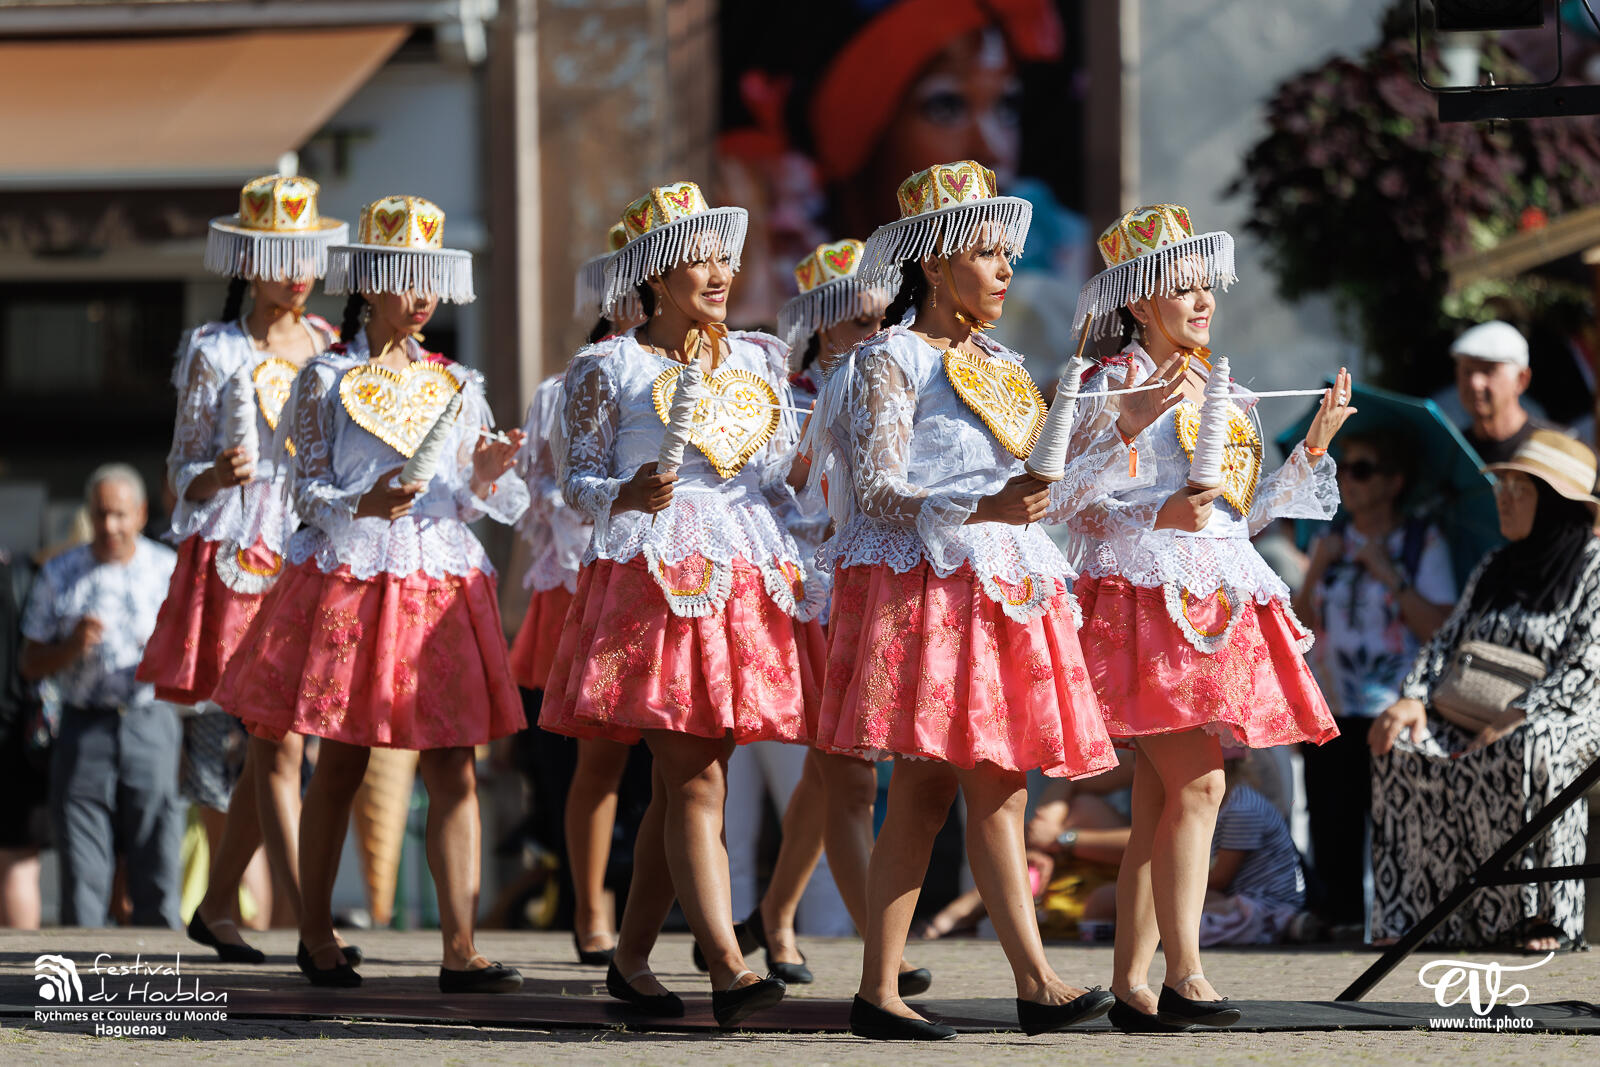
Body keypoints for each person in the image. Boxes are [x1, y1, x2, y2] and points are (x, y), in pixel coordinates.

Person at [806, 161, 1177, 1041]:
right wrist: (982, 504)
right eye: (986, 252)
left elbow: (1045, 490)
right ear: (934, 263)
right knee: (929, 792)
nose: (1007, 268)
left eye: (1010, 253)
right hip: (930, 585)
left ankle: (1019, 981)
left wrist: (1121, 429)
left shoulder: (1004, 364)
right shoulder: (885, 360)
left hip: (1004, 586)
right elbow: (878, 489)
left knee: (996, 789)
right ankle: (903, 989)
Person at [213, 195, 529, 992]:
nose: (423, 296)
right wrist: (363, 501)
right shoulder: (327, 376)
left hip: (438, 576)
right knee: (343, 757)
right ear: (374, 281)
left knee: (454, 762)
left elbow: (463, 494)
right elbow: (303, 492)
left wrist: (486, 476)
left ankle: (461, 945)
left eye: (434, 279)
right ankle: (313, 931)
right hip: (353, 575)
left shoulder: (458, 380)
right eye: (408, 278)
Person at [540, 180, 821, 1029]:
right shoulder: (607, 366)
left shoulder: (760, 360)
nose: (719, 272)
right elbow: (576, 482)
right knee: (693, 775)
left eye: (724, 257)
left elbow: (778, 475)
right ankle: (729, 965)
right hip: (654, 578)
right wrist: (626, 488)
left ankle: (629, 959)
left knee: (687, 778)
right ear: (657, 275)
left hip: (743, 574)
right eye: (699, 257)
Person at [1068, 203, 1354, 1031]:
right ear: (1138, 300)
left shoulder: (1230, 390)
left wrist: (1314, 448)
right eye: (1182, 285)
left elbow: (1242, 515)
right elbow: (1071, 500)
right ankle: (1186, 970)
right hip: (1141, 599)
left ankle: (1132, 983)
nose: (1201, 300)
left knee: (1163, 802)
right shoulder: (1107, 382)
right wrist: (1149, 457)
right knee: (1200, 782)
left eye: (1206, 285)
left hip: (1214, 597)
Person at [136, 174, 346, 961]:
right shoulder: (213, 349)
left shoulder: (331, 345)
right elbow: (180, 472)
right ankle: (307, 920)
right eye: (278, 255)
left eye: (306, 254)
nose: (296, 271)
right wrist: (219, 474)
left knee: (278, 738)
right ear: (247, 262)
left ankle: (223, 905)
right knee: (274, 734)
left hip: (313, 544)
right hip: (241, 551)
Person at [708, 239, 922, 987]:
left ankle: (777, 913)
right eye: (855, 321)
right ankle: (876, 949)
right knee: (845, 775)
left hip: (871, 585)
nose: (872, 330)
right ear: (821, 325)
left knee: (828, 776)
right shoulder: (784, 396)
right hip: (806, 592)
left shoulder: (900, 376)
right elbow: (772, 491)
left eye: (878, 315)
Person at [1369, 429, 1600, 953]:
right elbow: (1447, 641)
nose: (1505, 497)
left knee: (1532, 744)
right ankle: (1418, 914)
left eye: (1522, 489)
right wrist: (1412, 697)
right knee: (1400, 741)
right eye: (1504, 486)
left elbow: (1588, 663)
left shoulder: (1593, 567)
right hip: (1477, 711)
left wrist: (1521, 713)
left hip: (1572, 715)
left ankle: (1541, 917)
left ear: (1558, 505)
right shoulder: (1495, 564)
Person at [508, 222, 647, 966]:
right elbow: (543, 494)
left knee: (671, 761)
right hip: (583, 581)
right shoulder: (571, 384)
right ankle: (589, 906)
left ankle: (650, 915)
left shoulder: (699, 368)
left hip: (661, 578)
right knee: (595, 758)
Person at [1294, 429, 1456, 935]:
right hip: (1332, 705)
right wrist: (1316, 569)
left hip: (1390, 707)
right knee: (1331, 819)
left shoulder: (1420, 542)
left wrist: (1392, 576)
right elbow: (1297, 628)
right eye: (1343, 469)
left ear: (1394, 482)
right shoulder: (1329, 541)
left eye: (1362, 470)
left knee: (1391, 824)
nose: (1348, 480)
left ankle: (1397, 925)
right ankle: (1339, 919)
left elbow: (1440, 628)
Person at [20, 465, 181, 927]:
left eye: (119, 515)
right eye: (100, 515)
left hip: (151, 721)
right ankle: (83, 978)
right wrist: (70, 648)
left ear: (140, 513)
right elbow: (29, 662)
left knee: (158, 853)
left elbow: (196, 656)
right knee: (83, 866)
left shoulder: (167, 569)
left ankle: (162, 974)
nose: (109, 526)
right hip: (83, 725)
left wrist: (163, 658)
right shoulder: (60, 572)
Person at [1198, 756, 1310, 947]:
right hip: (1241, 895)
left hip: (1263, 902)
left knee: (1183, 920)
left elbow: (1220, 878)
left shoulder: (1241, 809)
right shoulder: (1234, 801)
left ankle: (1282, 924)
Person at [0, 549, 48, 928]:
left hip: (15, 741)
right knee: (18, 862)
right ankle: (21, 975)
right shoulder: (26, 575)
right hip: (18, 735)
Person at [1453, 320, 1558, 465]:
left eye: (1488, 371)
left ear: (1521, 379)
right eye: (1467, 372)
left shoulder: (1555, 452)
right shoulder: (1451, 453)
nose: (1475, 383)